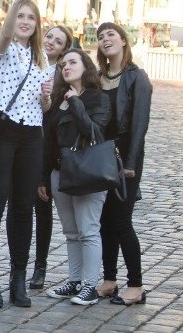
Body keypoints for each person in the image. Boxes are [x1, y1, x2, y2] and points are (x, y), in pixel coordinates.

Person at [0, 0, 50, 308]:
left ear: (37, 25)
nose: (24, 21)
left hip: (31, 135)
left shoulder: (42, 59)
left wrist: (47, 97)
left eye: (30, 18)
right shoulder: (2, 45)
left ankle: (17, 277)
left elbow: (43, 107)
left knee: (24, 208)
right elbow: (6, 32)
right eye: (21, 15)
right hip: (4, 132)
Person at [42, 49, 111, 306]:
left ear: (86, 67)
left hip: (86, 173)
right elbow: (48, 139)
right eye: (63, 64)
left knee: (88, 231)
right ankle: (74, 281)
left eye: (72, 62)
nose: (66, 67)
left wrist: (76, 102)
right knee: (71, 232)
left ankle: (90, 286)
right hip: (59, 173)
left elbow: (94, 133)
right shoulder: (59, 97)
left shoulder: (98, 99)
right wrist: (43, 177)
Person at [96, 22, 152, 306]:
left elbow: (140, 124)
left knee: (121, 220)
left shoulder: (136, 77)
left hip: (126, 158)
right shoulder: (98, 77)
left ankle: (137, 284)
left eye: (110, 34)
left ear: (122, 41)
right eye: (101, 36)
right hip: (101, 157)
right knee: (104, 221)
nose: (105, 38)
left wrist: (130, 162)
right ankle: (109, 279)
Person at [30, 24, 73, 289]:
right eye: (49, 37)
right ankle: (32, 265)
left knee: (45, 208)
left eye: (58, 41)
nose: (51, 43)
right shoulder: (31, 60)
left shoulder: (65, 73)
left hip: (50, 146)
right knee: (32, 208)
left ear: (65, 48)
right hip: (27, 139)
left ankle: (41, 267)